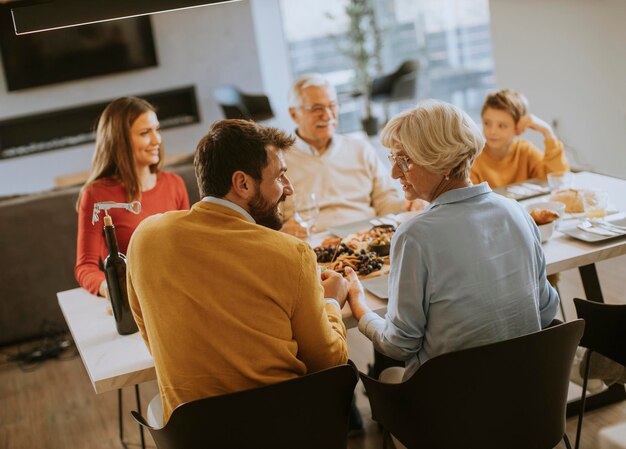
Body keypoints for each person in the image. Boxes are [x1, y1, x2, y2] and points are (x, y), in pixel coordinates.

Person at [126, 119, 350, 424]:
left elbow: (152, 338)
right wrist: (331, 301)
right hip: (286, 432)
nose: (289, 188)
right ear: (242, 183)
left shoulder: (145, 238)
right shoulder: (291, 253)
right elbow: (328, 362)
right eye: (280, 176)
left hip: (196, 437)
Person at [346, 99, 559, 384]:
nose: (395, 173)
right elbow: (545, 309)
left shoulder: (415, 235)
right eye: (393, 159)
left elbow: (399, 345)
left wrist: (360, 306)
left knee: (386, 376)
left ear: (443, 162)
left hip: (451, 411)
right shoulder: (517, 212)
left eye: (404, 160)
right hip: (528, 396)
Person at [281, 73, 422, 238]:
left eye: (332, 106)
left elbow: (384, 202)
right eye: (317, 109)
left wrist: (407, 205)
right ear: (294, 114)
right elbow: (272, 220)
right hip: (311, 241)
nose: (327, 116)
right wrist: (282, 231)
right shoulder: (279, 160)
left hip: (366, 237)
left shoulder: (360, 149)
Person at [75, 97, 189, 298]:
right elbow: (85, 267)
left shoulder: (174, 184)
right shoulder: (96, 195)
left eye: (157, 130)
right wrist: (111, 291)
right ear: (119, 140)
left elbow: (187, 249)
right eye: (145, 133)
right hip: (137, 300)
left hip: (180, 292)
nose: (157, 140)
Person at [470, 88, 570, 187]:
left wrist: (547, 131)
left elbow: (559, 179)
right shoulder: (473, 159)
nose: (492, 131)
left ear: (518, 128)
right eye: (487, 123)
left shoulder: (524, 151)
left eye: (502, 126)